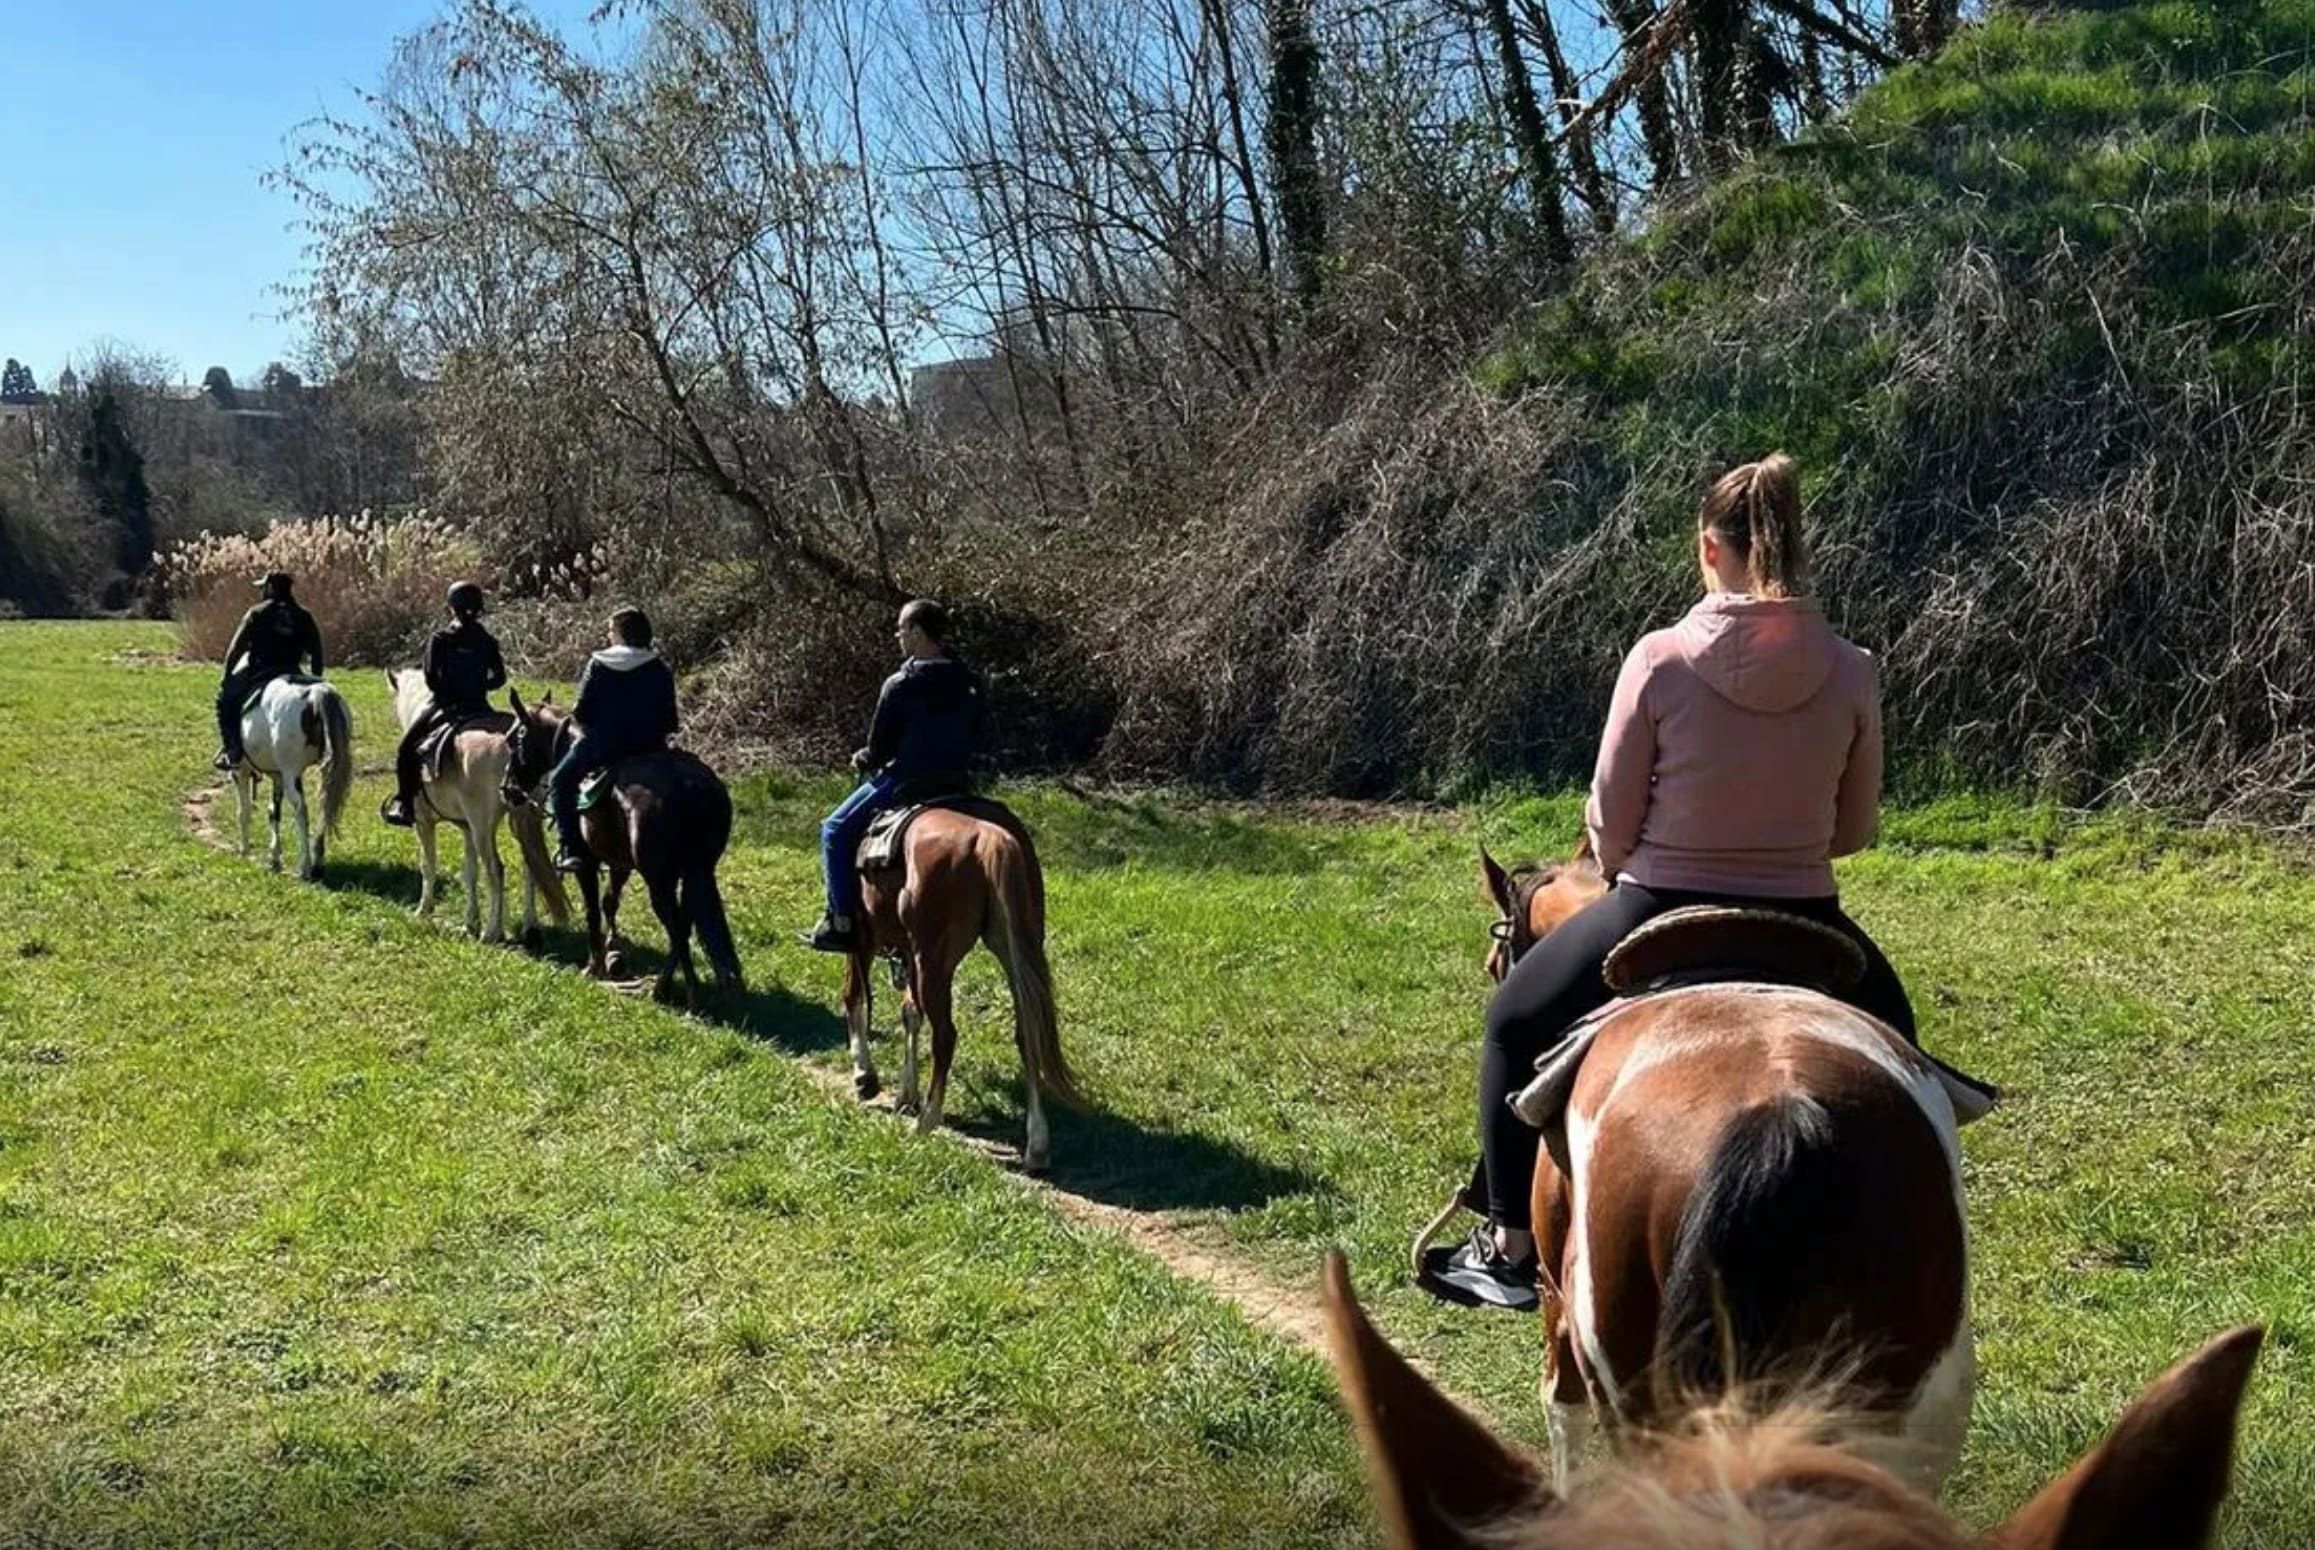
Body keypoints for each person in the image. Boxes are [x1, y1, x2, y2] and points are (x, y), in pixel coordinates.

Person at [1423, 452, 1921, 1313]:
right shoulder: (1853, 669)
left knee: (1511, 1018)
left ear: (1707, 549)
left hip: (1656, 903)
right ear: (1797, 549)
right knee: (1904, 1057)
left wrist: (1633, 853)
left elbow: (1609, 826)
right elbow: (1855, 831)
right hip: (1808, 912)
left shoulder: (1658, 660)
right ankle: (1911, 1244)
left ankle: (1506, 1246)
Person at [804, 599, 987, 952]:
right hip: (957, 781)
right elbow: (979, 733)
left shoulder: (901, 683)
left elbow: (880, 750)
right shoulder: (970, 681)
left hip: (906, 780)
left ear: (918, 632)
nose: (898, 635)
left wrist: (863, 757)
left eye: (902, 628)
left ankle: (839, 920)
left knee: (834, 830)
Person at [549, 607, 680, 872]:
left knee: (559, 782)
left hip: (602, 747)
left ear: (621, 633)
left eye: (611, 630)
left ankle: (572, 849)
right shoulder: (659, 667)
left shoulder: (599, 663)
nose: (608, 636)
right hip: (650, 748)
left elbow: (582, 711)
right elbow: (670, 722)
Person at [382, 581, 509, 828]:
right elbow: (500, 677)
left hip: (445, 707)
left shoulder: (440, 639)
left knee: (406, 749)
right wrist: (480, 687)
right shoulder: (487, 641)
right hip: (479, 707)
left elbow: (431, 678)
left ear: (452, 608)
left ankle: (406, 805)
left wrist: (451, 692)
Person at [214, 571, 325, 770]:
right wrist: (316, 678)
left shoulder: (256, 613)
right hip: (293, 672)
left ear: (271, 588)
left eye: (263, 588)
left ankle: (233, 751)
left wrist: (226, 676)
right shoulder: (304, 616)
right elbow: (317, 652)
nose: (261, 592)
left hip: (261, 671)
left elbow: (236, 648)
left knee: (225, 700)